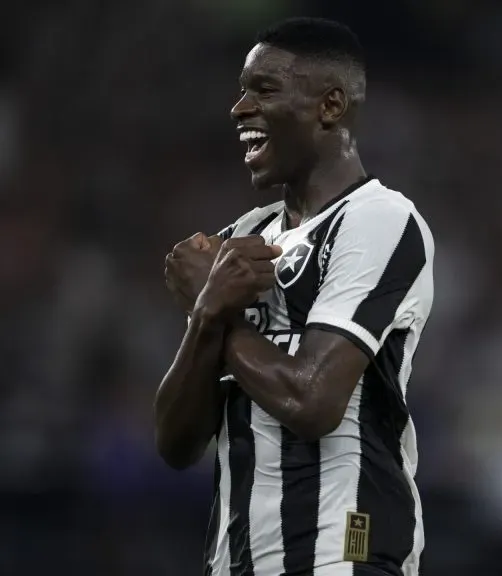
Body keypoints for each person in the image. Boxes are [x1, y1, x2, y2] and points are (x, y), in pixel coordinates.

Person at [155, 17, 433, 576]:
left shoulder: (378, 219)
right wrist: (206, 317)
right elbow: (176, 444)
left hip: (344, 550)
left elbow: (313, 401)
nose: (239, 109)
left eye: (264, 90)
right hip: (236, 560)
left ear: (330, 106)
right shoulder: (244, 236)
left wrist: (215, 310)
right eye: (242, 91)